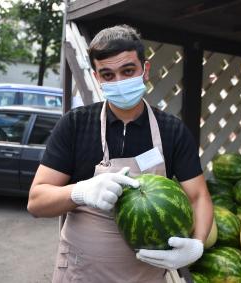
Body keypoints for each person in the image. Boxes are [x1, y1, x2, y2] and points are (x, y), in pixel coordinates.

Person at [27, 25, 213, 283]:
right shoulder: (76, 124)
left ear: (144, 70)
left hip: (145, 277)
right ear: (97, 77)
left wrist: (197, 244)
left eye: (128, 71)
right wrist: (80, 192)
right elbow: (36, 201)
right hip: (81, 275)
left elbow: (198, 196)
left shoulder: (172, 131)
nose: (119, 82)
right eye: (107, 75)